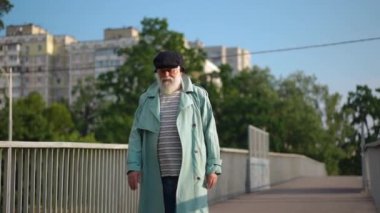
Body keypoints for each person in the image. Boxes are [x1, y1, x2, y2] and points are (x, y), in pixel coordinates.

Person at [127, 50, 222, 213]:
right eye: (162, 70)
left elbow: (210, 131)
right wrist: (133, 167)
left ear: (181, 71)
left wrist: (213, 166)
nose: (166, 74)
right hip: (156, 175)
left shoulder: (198, 96)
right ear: (156, 72)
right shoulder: (146, 99)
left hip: (189, 174)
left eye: (171, 70)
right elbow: (136, 135)